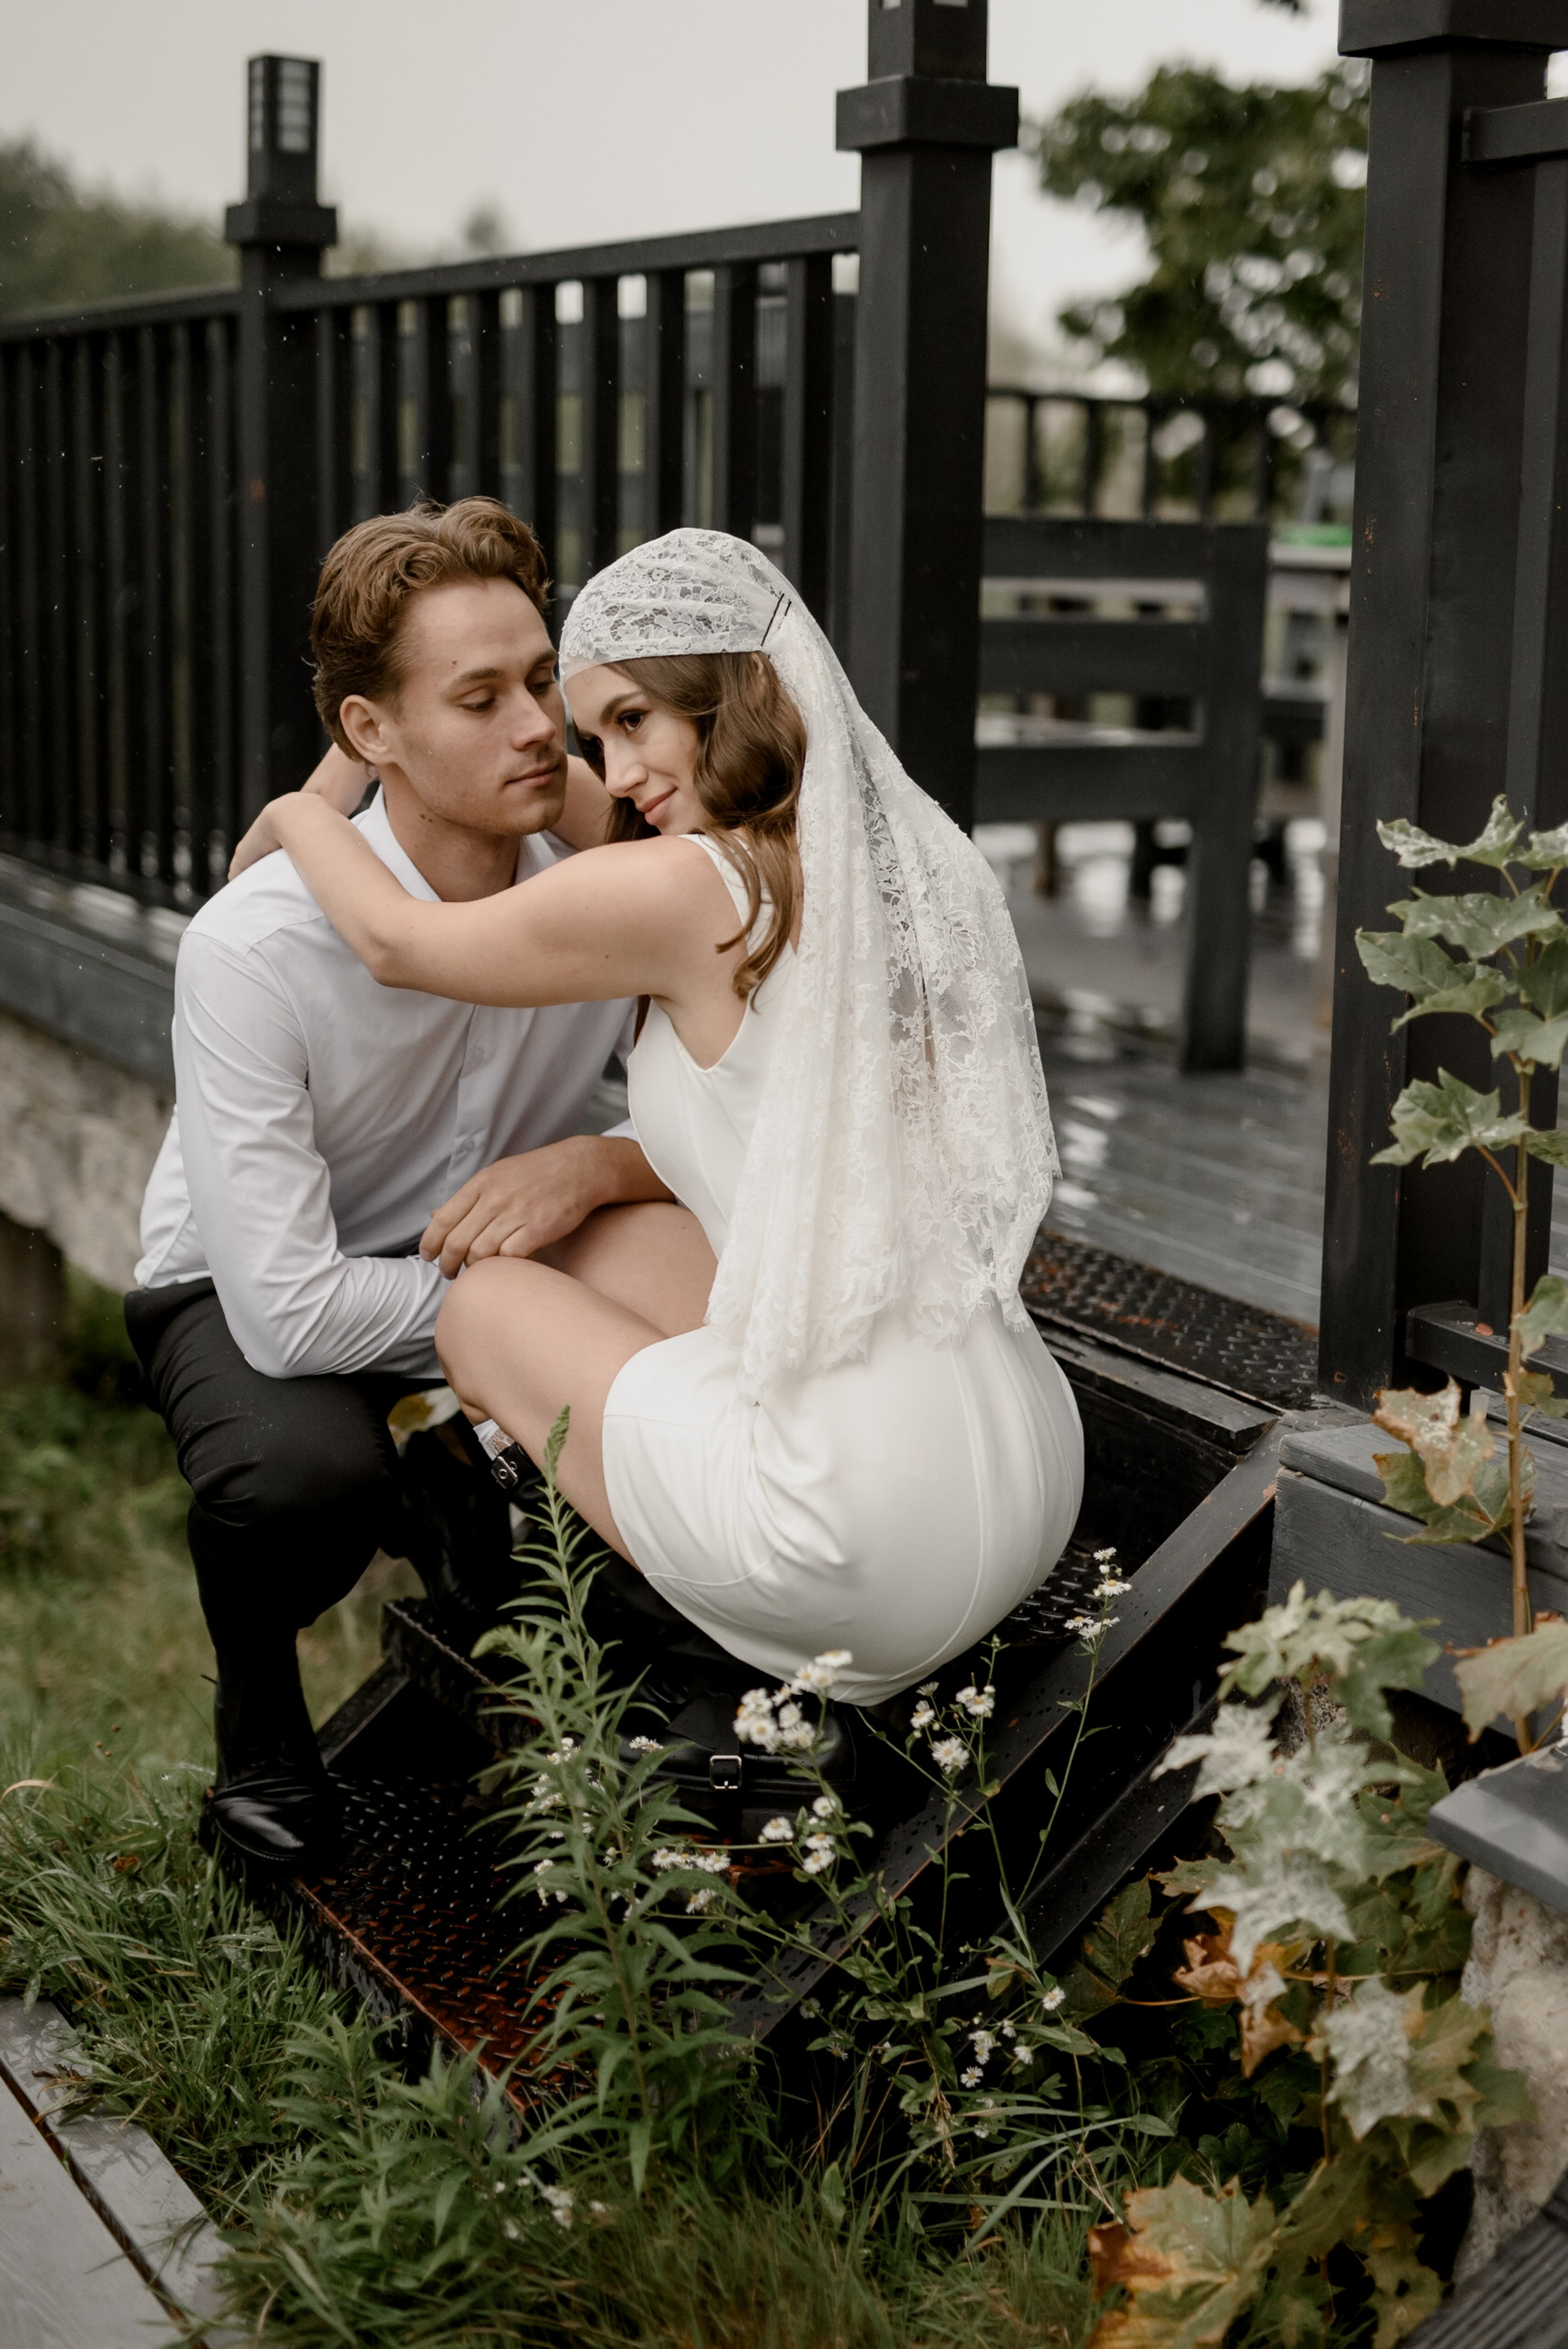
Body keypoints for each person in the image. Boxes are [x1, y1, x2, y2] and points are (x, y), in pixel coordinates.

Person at [241, 528, 1084, 1712]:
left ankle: (630, 1626)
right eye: (594, 734)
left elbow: (396, 941)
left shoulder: (682, 889)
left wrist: (298, 815)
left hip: (861, 1545)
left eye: (633, 720)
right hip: (1025, 1471)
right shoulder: (855, 864)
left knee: (483, 1304)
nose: (614, 766)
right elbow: (583, 809)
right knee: (593, 1243)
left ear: (727, 691)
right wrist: (371, 741)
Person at [127, 497, 693, 1869]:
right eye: (480, 699)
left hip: (491, 1245)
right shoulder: (257, 945)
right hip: (248, 1283)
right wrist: (509, 1330)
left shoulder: (613, 886)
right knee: (302, 1478)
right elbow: (284, 1314)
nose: (537, 729)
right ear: (368, 732)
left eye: (544, 682)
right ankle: (262, 1730)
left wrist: (596, 1164)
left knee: (666, 1372)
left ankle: (483, 1515)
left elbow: (730, 1115)